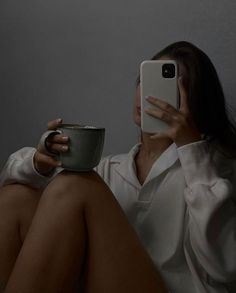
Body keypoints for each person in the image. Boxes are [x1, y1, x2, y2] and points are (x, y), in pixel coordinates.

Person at [0, 41, 236, 293]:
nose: (148, 94)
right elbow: (10, 179)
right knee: (16, 198)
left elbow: (226, 268)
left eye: (170, 88)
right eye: (144, 80)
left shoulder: (215, 170)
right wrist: (40, 161)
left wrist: (191, 148)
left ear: (194, 102)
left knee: (75, 184)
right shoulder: (112, 169)